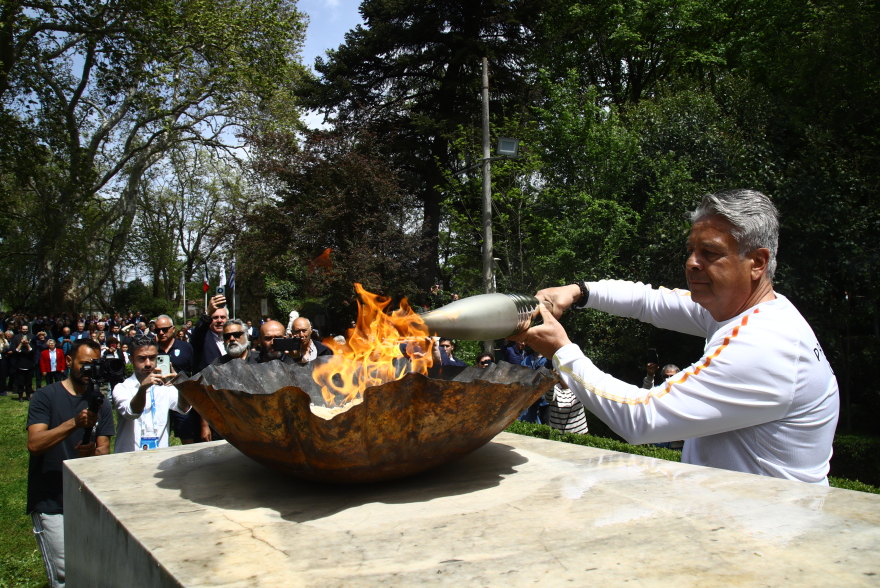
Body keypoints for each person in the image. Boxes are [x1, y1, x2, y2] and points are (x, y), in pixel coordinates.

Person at [522, 189, 840, 484]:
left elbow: (640, 418)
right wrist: (579, 292)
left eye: (710, 253)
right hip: (745, 518)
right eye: (691, 250)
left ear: (757, 262)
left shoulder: (764, 346)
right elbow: (649, 301)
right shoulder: (744, 309)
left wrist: (560, 351)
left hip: (762, 532)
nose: (691, 263)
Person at [26, 338, 114, 588]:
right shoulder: (45, 396)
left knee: (92, 568)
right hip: (52, 499)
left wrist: (91, 456)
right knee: (65, 575)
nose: (89, 371)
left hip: (88, 498)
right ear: (68, 362)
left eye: (94, 365)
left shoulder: (100, 402)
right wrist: (73, 423)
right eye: (84, 364)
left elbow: (104, 451)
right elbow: (35, 444)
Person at [112, 336, 191, 453]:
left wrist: (180, 385)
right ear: (131, 359)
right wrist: (143, 388)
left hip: (159, 457)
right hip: (129, 459)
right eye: (142, 359)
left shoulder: (165, 387)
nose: (148, 364)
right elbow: (132, 412)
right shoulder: (122, 388)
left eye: (152, 358)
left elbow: (184, 408)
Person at [188, 295, 228, 443]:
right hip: (208, 405)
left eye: (222, 317)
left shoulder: (232, 340)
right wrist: (206, 314)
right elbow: (196, 335)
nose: (219, 320)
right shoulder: (202, 339)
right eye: (215, 317)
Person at [11, 325, 36, 401]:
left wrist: (27, 344)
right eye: (23, 329)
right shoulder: (16, 337)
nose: (25, 330)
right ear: (20, 329)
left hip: (29, 362)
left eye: (26, 329)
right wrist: (21, 343)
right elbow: (14, 350)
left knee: (29, 381)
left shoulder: (32, 336)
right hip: (20, 362)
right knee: (20, 381)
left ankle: (28, 395)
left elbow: (33, 350)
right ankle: (20, 396)